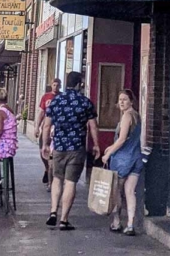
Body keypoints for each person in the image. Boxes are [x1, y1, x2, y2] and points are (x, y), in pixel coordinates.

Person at [42, 70, 100, 231]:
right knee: (71, 182)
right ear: (79, 84)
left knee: (57, 179)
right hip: (77, 147)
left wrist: (46, 144)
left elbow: (47, 125)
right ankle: (64, 219)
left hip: (59, 146)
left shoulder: (55, 101)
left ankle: (53, 211)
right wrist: (96, 144)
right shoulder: (85, 102)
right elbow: (93, 126)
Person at [103, 89, 144, 237]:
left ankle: (116, 221)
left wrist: (108, 153)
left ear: (131, 101)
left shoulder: (127, 116)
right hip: (136, 157)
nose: (121, 102)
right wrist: (111, 147)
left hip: (123, 160)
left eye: (125, 99)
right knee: (130, 191)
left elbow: (121, 139)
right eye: (120, 99)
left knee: (117, 192)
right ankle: (131, 224)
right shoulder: (137, 116)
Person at [35, 78, 61, 185]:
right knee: (43, 151)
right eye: (54, 85)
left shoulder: (61, 97)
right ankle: (47, 168)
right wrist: (37, 127)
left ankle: (53, 173)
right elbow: (41, 112)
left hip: (56, 128)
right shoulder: (46, 97)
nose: (55, 87)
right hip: (46, 127)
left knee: (53, 152)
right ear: (51, 85)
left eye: (57, 85)